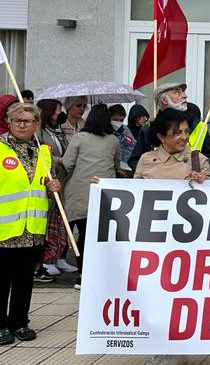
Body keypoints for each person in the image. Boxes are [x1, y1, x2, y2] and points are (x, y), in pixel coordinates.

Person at [0, 102, 62, 345]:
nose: (22, 124)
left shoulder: (44, 152)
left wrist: (53, 188)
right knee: (0, 281)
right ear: (9, 123)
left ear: (37, 125)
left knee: (24, 281)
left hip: (32, 229)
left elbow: (42, 189)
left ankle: (19, 322)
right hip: (4, 229)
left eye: (27, 120)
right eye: (17, 120)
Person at [135, 108, 210, 365]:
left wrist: (203, 182)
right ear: (160, 136)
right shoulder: (146, 159)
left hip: (185, 241)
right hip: (154, 238)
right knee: (156, 293)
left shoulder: (197, 159)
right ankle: (159, 346)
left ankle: (177, 347)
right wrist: (106, 188)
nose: (183, 137)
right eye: (176, 132)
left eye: (186, 132)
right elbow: (133, 194)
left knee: (179, 294)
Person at [61, 104, 120, 287]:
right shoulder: (113, 140)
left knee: (84, 236)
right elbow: (116, 163)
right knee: (100, 237)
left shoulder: (79, 138)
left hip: (80, 192)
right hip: (105, 193)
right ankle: (101, 274)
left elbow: (68, 163)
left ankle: (82, 274)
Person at [128, 83, 210, 173]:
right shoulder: (149, 129)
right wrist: (151, 174)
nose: (185, 96)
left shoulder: (196, 125)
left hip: (189, 183)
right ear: (164, 100)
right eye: (177, 92)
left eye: (183, 92)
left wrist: (199, 171)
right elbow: (135, 160)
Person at [37, 99, 73, 281]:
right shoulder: (39, 132)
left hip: (60, 180)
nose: (59, 114)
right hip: (46, 183)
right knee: (47, 222)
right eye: (56, 111)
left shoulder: (58, 131)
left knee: (58, 223)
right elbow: (41, 153)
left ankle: (56, 256)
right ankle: (43, 261)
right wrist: (58, 159)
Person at [107, 104, 136, 176]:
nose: (118, 122)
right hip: (108, 167)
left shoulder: (125, 130)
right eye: (115, 120)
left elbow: (132, 146)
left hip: (123, 169)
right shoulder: (105, 130)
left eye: (121, 120)